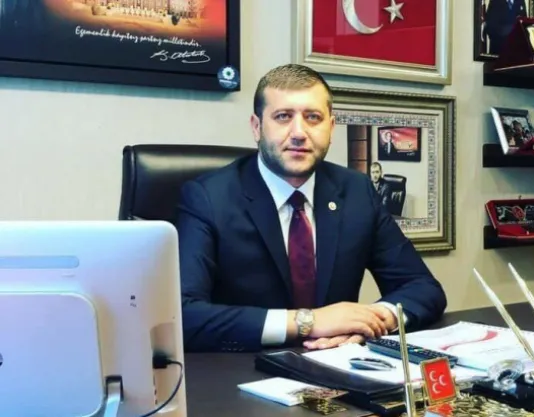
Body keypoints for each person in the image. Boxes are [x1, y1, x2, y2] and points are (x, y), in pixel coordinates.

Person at [175, 63, 447, 353]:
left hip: (338, 362)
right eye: (283, 116)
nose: (299, 132)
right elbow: (183, 314)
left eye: (313, 117)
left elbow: (423, 288)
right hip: (241, 368)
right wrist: (309, 322)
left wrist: (371, 320)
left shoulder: (357, 191)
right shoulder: (208, 198)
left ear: (331, 127)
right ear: (257, 127)